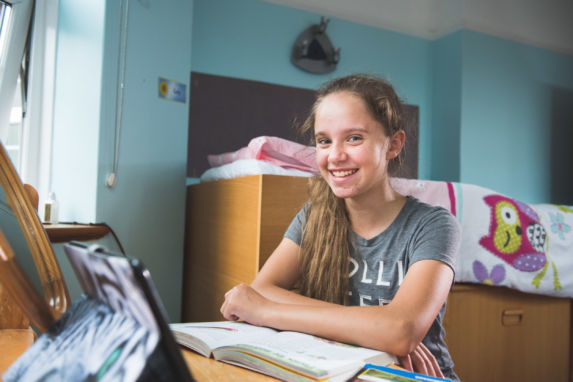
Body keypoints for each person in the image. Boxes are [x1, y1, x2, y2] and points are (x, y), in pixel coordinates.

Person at [220, 73, 461, 381]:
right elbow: (263, 289)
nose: (335, 156)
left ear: (394, 144)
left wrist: (266, 312)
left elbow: (401, 331)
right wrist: (378, 328)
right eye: (324, 141)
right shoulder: (312, 218)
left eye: (354, 138)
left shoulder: (433, 225)